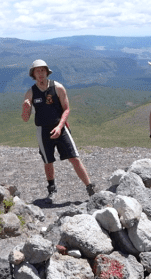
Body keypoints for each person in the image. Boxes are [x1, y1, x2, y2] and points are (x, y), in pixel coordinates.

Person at [21, 59, 95, 201]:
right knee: (48, 161)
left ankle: (90, 187)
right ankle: (51, 188)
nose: (41, 73)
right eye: (38, 71)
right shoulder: (30, 93)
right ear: (33, 74)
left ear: (47, 72)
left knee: (74, 157)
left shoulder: (58, 87)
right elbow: (25, 118)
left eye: (43, 70)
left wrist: (60, 127)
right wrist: (25, 107)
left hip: (60, 127)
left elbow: (66, 109)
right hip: (43, 130)